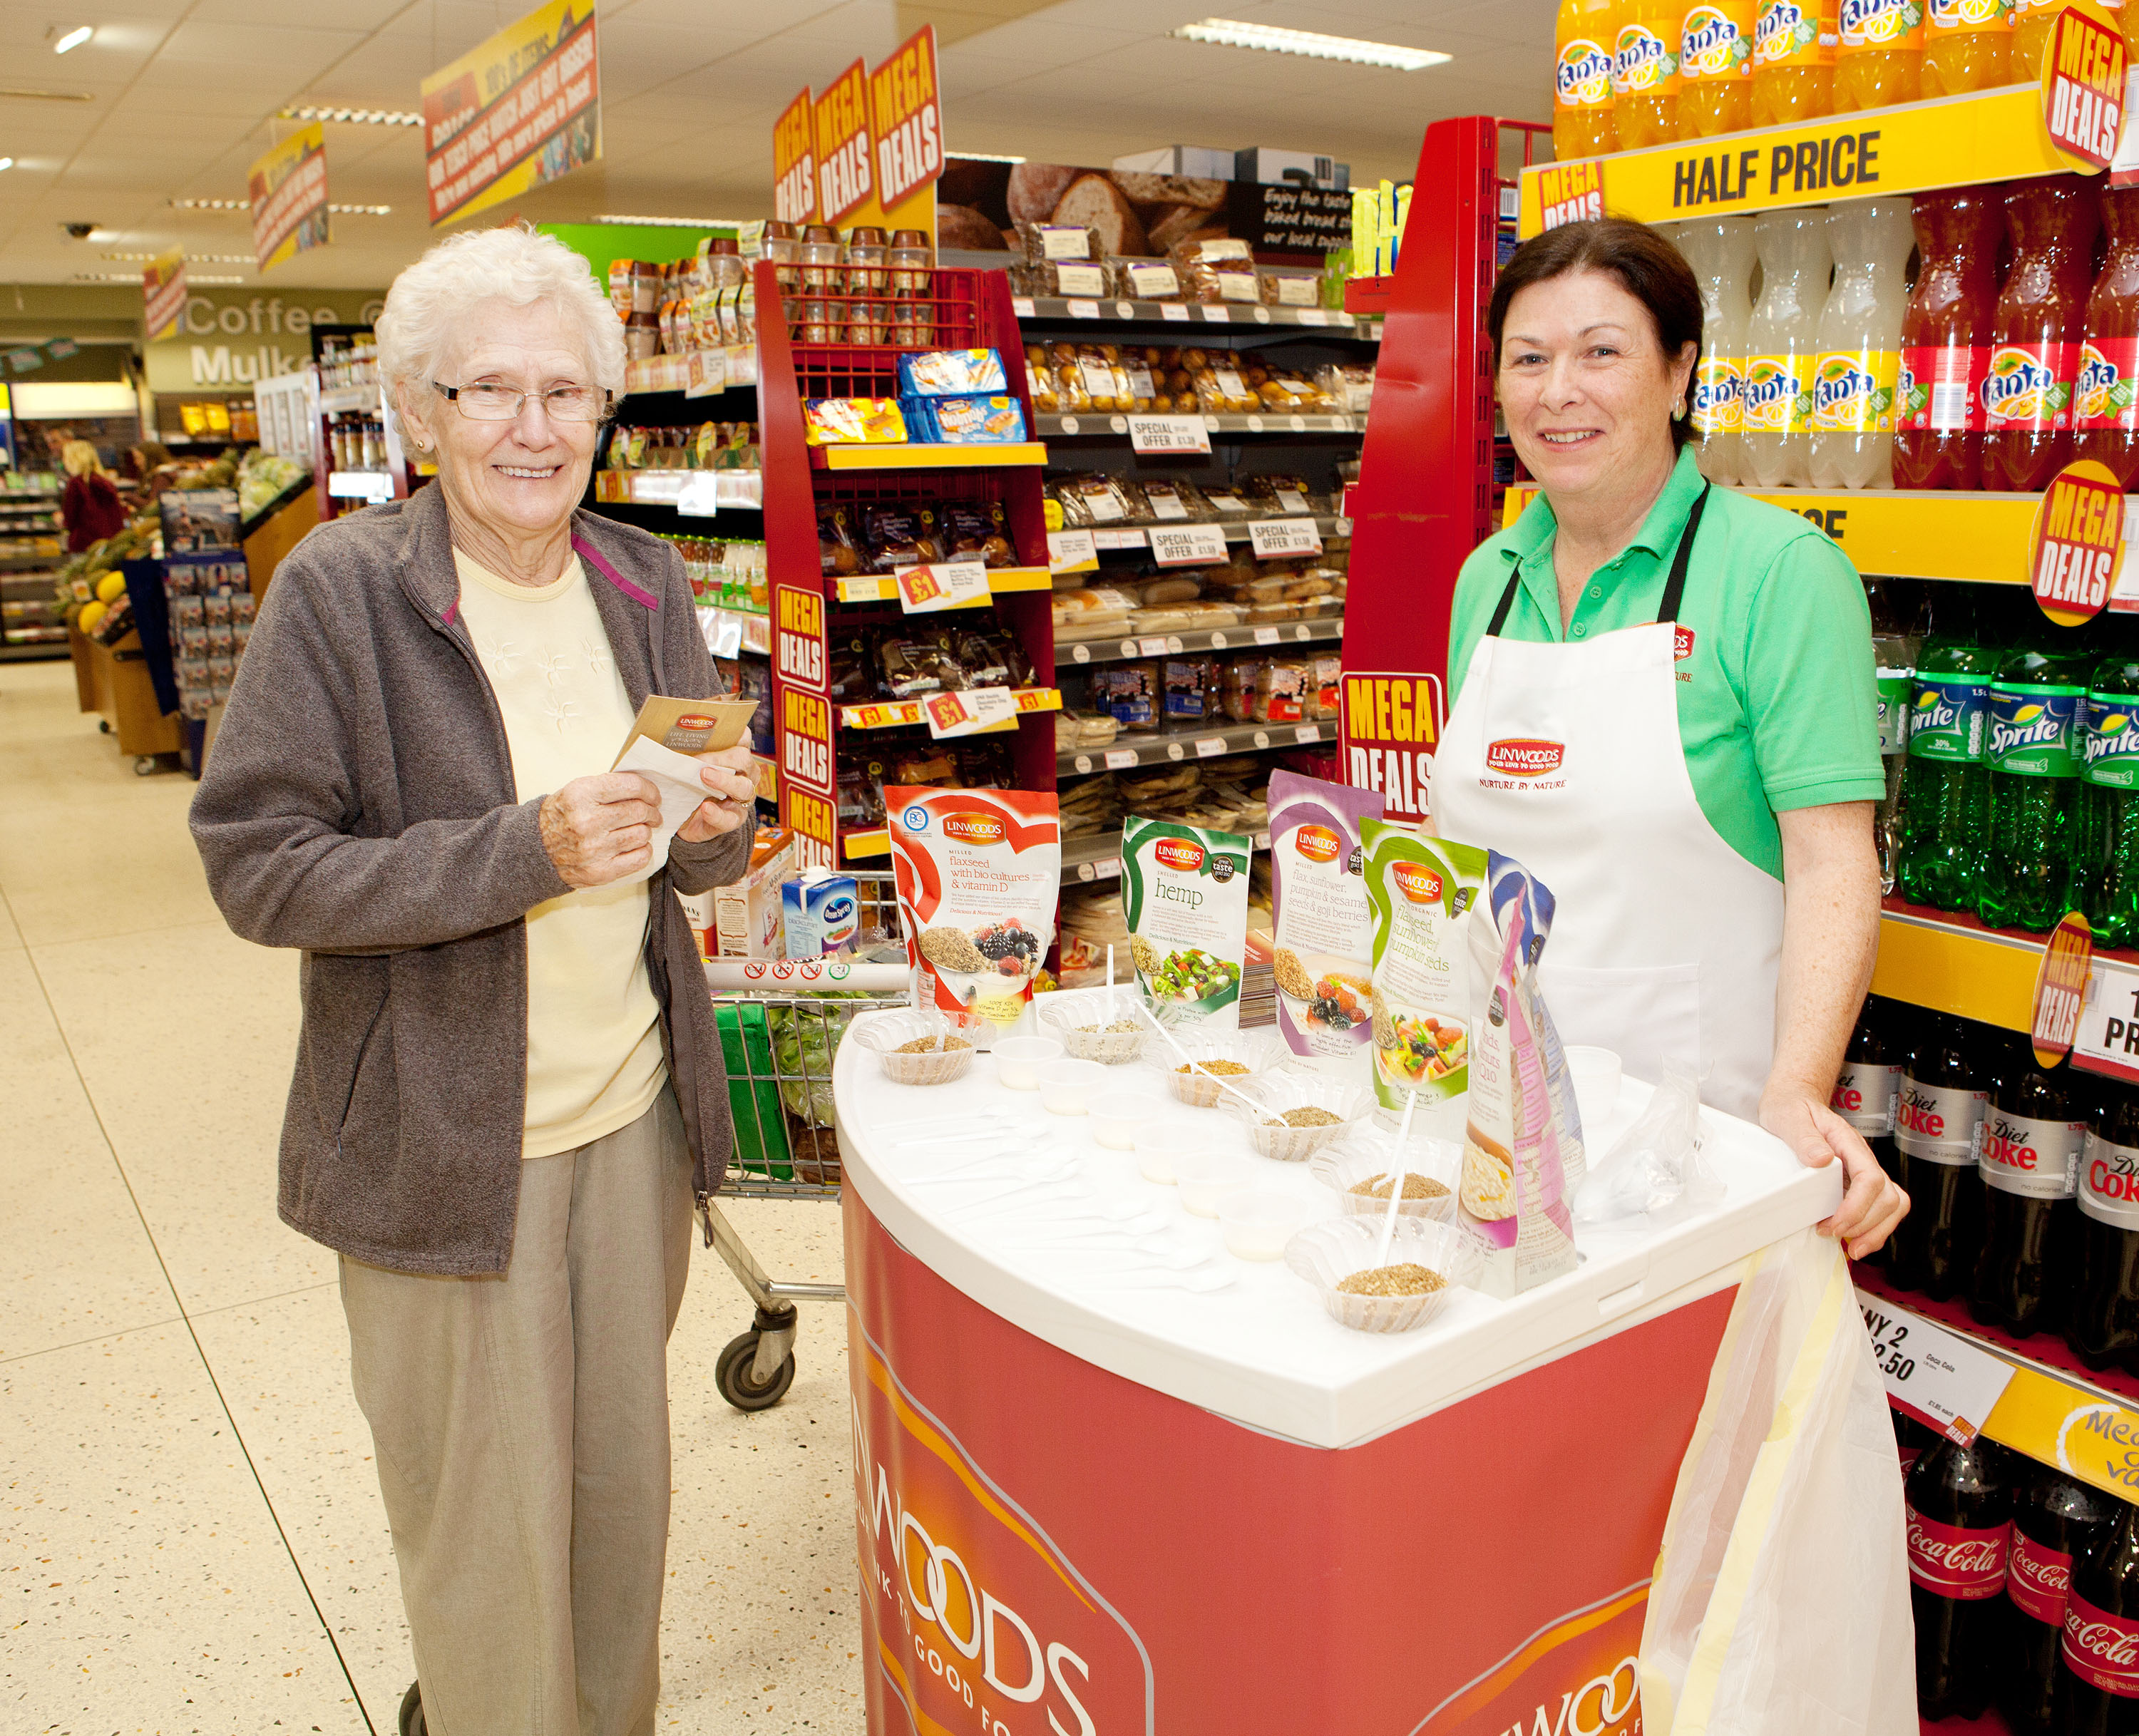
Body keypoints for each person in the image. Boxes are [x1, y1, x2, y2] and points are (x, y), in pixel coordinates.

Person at [189, 224, 759, 1736]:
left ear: (606, 409)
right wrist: (524, 849)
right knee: (485, 1540)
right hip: (443, 1148)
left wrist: (716, 822)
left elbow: (686, 859)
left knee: (619, 1502)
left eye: (566, 391)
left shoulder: (643, 578)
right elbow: (258, 864)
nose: (533, 427)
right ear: (417, 410)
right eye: (489, 389)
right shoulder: (341, 593)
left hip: (633, 1124)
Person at [1432, 217, 1907, 1260]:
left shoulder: (1780, 572)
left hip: (1699, 1152)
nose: (1559, 390)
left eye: (1601, 351)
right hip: (1493, 1128)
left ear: (1680, 371)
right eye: (1529, 359)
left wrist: (1799, 1087)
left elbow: (1832, 858)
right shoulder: (1487, 579)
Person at [58, 438, 125, 551]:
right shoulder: (106, 482)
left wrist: (61, 520)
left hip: (86, 544)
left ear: (74, 459)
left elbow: (70, 519)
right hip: (111, 543)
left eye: (65, 457)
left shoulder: (77, 483)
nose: (64, 462)